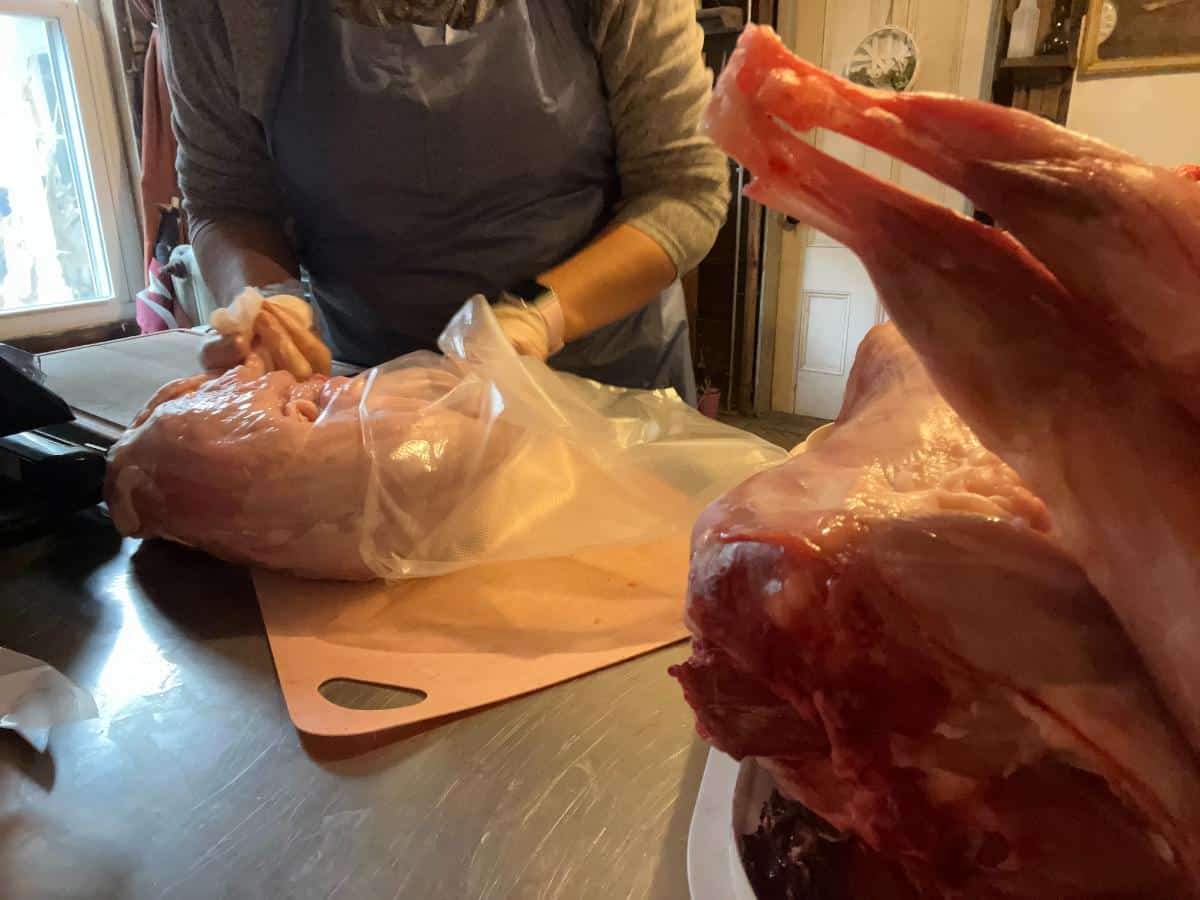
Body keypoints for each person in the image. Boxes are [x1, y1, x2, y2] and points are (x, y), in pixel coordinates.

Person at [158, 0, 731, 404]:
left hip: (603, 385)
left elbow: (681, 186)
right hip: (368, 391)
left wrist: (538, 316)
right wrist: (268, 305)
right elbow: (227, 196)